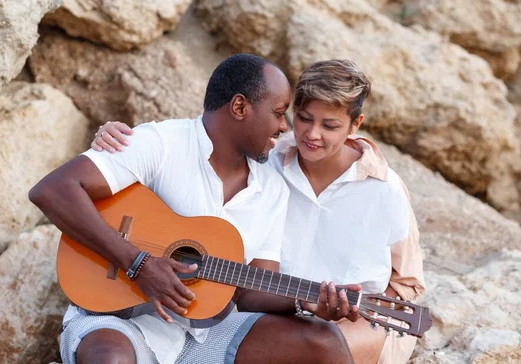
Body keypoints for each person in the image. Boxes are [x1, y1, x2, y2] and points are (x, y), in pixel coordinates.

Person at [29, 54, 360, 364]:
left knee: (325, 342)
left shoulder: (272, 188)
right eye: (277, 112)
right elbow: (54, 190)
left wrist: (306, 301)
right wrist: (138, 265)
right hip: (119, 320)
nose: (284, 126)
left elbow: (249, 290)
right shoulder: (161, 143)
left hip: (210, 333)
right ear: (240, 107)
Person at [92, 59, 426, 363]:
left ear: (355, 125)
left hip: (341, 320)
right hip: (261, 310)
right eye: (304, 119)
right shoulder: (267, 160)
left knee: (329, 345)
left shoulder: (385, 190)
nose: (311, 135)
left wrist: (348, 313)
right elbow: (215, 133)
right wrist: (118, 142)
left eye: (330, 126)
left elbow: (407, 284)